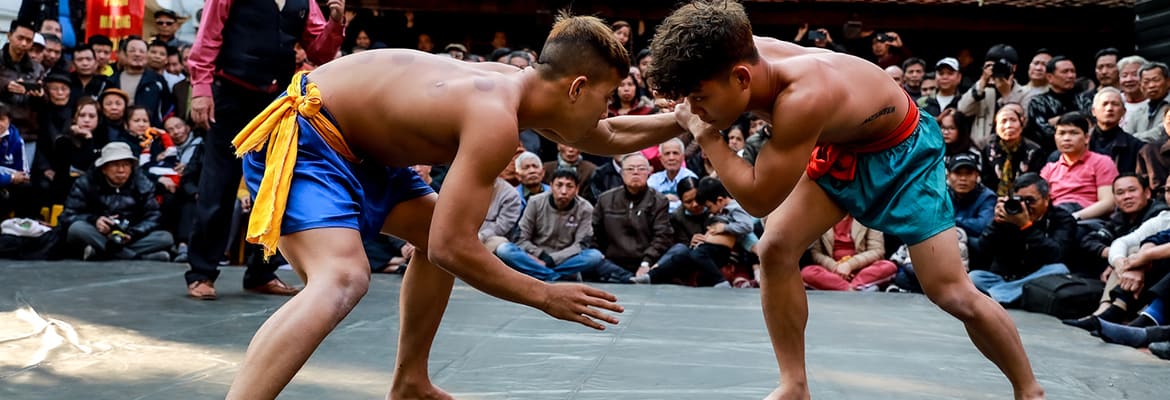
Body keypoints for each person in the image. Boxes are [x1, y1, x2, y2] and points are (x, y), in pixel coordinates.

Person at [222, 14, 672, 400]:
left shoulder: (514, 85)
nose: (606, 110)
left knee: (432, 228)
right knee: (342, 279)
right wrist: (544, 294)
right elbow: (450, 248)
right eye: (604, 99)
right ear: (576, 87)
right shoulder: (493, 115)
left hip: (358, 146)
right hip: (305, 136)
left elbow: (606, 136)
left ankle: (409, 381)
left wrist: (685, 120)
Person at [643, 2, 1044, 398]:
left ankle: (1029, 391)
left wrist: (707, 136)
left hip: (904, 155)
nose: (695, 110)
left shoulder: (801, 97)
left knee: (951, 292)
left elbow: (758, 200)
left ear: (741, 79)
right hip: (845, 148)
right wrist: (585, 127)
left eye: (699, 98)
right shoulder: (734, 54)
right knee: (776, 248)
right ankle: (794, 385)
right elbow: (645, 128)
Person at [183, 0, 347, 299]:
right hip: (231, 95)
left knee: (276, 184)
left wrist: (335, 22)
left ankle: (262, 271)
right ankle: (202, 273)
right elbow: (208, 38)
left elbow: (319, 52)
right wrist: (201, 90)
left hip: (276, 102)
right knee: (218, 185)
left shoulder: (305, 1)